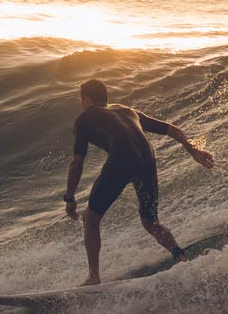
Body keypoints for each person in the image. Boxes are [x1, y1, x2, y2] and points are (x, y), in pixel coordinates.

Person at [63, 78, 215, 286]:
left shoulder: (85, 119)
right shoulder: (126, 110)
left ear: (86, 98)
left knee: (90, 220)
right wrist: (193, 149)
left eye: (80, 99)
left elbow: (77, 162)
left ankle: (93, 277)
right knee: (150, 221)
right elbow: (171, 129)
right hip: (146, 160)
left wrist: (69, 197)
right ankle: (180, 256)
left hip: (121, 160)